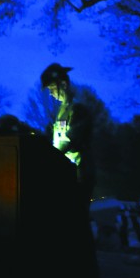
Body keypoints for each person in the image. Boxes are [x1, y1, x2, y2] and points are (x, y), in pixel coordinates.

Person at [40, 62, 96, 207]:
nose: (51, 93)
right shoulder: (62, 110)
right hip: (66, 174)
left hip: (79, 175)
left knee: (78, 218)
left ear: (63, 85)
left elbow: (71, 140)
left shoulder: (78, 109)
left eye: (52, 88)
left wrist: (48, 159)